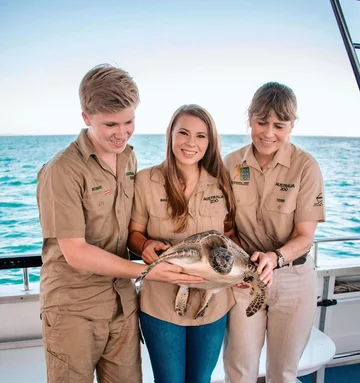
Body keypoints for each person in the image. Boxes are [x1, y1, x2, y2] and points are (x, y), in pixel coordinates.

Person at [36, 64, 203, 383]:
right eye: (110, 124)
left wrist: (145, 245)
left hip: (122, 303)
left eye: (129, 122)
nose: (122, 132)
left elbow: (127, 229)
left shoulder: (129, 158)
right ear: (86, 117)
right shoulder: (62, 170)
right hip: (73, 309)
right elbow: (76, 252)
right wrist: (148, 271)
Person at [127, 104, 247, 383]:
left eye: (201, 136)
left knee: (200, 380)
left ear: (210, 142)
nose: (191, 143)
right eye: (183, 133)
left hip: (212, 300)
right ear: (170, 135)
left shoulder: (222, 183)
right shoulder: (146, 180)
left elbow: (231, 237)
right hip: (159, 300)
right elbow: (134, 233)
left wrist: (241, 270)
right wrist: (143, 245)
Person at [223, 82, 325, 383]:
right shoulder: (230, 164)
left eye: (279, 125)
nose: (268, 133)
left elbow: (305, 235)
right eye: (261, 122)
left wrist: (274, 257)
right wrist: (243, 264)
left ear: (292, 125)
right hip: (245, 280)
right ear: (249, 118)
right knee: (239, 371)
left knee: (283, 374)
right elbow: (226, 228)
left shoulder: (306, 167)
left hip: (293, 279)